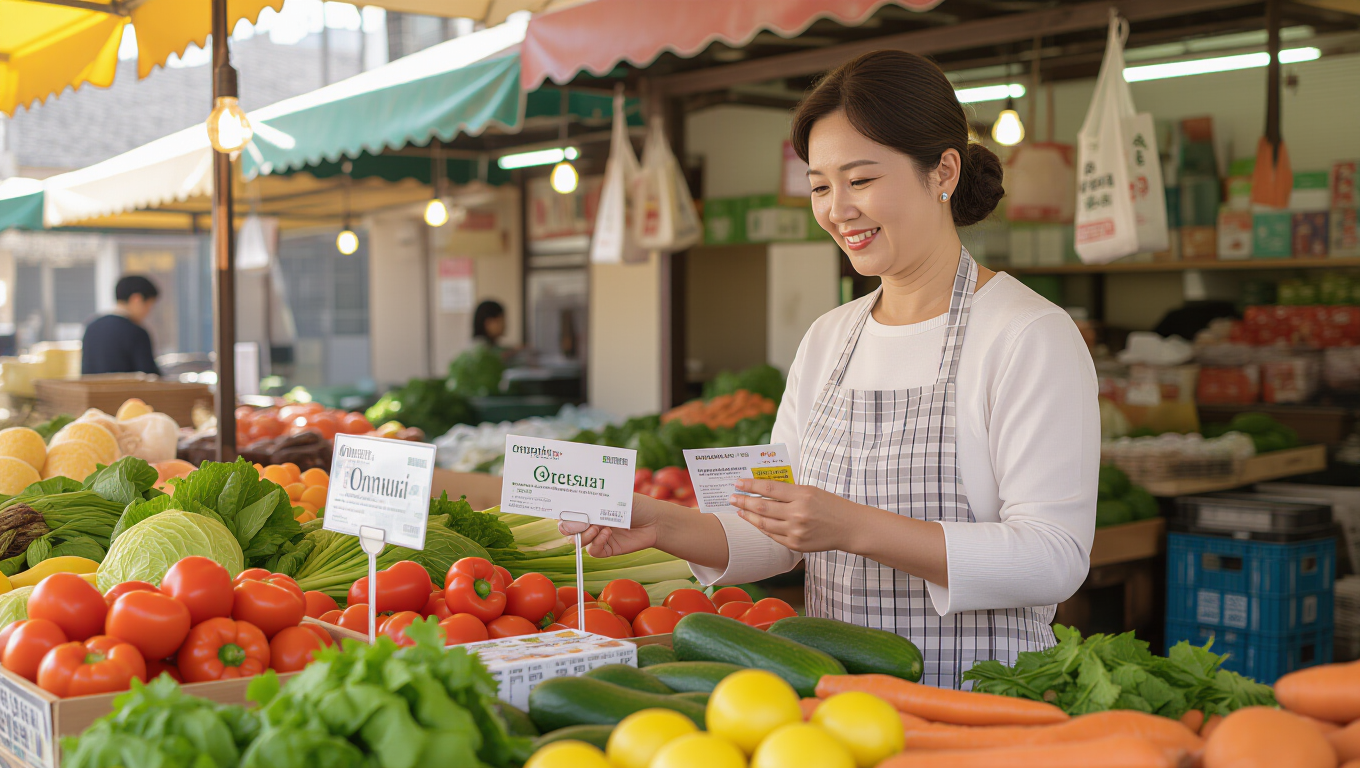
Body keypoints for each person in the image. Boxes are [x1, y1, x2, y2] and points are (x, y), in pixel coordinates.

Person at [562, 50, 1099, 688]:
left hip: (980, 703)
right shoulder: (828, 339)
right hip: (836, 700)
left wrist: (852, 526)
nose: (837, 209)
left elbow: (1053, 557)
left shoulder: (1027, 335)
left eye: (861, 179)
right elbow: (780, 534)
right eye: (820, 186)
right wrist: (660, 522)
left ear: (943, 172)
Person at [81, 275, 161, 376]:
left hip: (93, 391)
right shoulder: (136, 332)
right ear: (137, 299)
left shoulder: (91, 327)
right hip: (126, 392)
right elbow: (150, 376)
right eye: (149, 306)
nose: (148, 312)